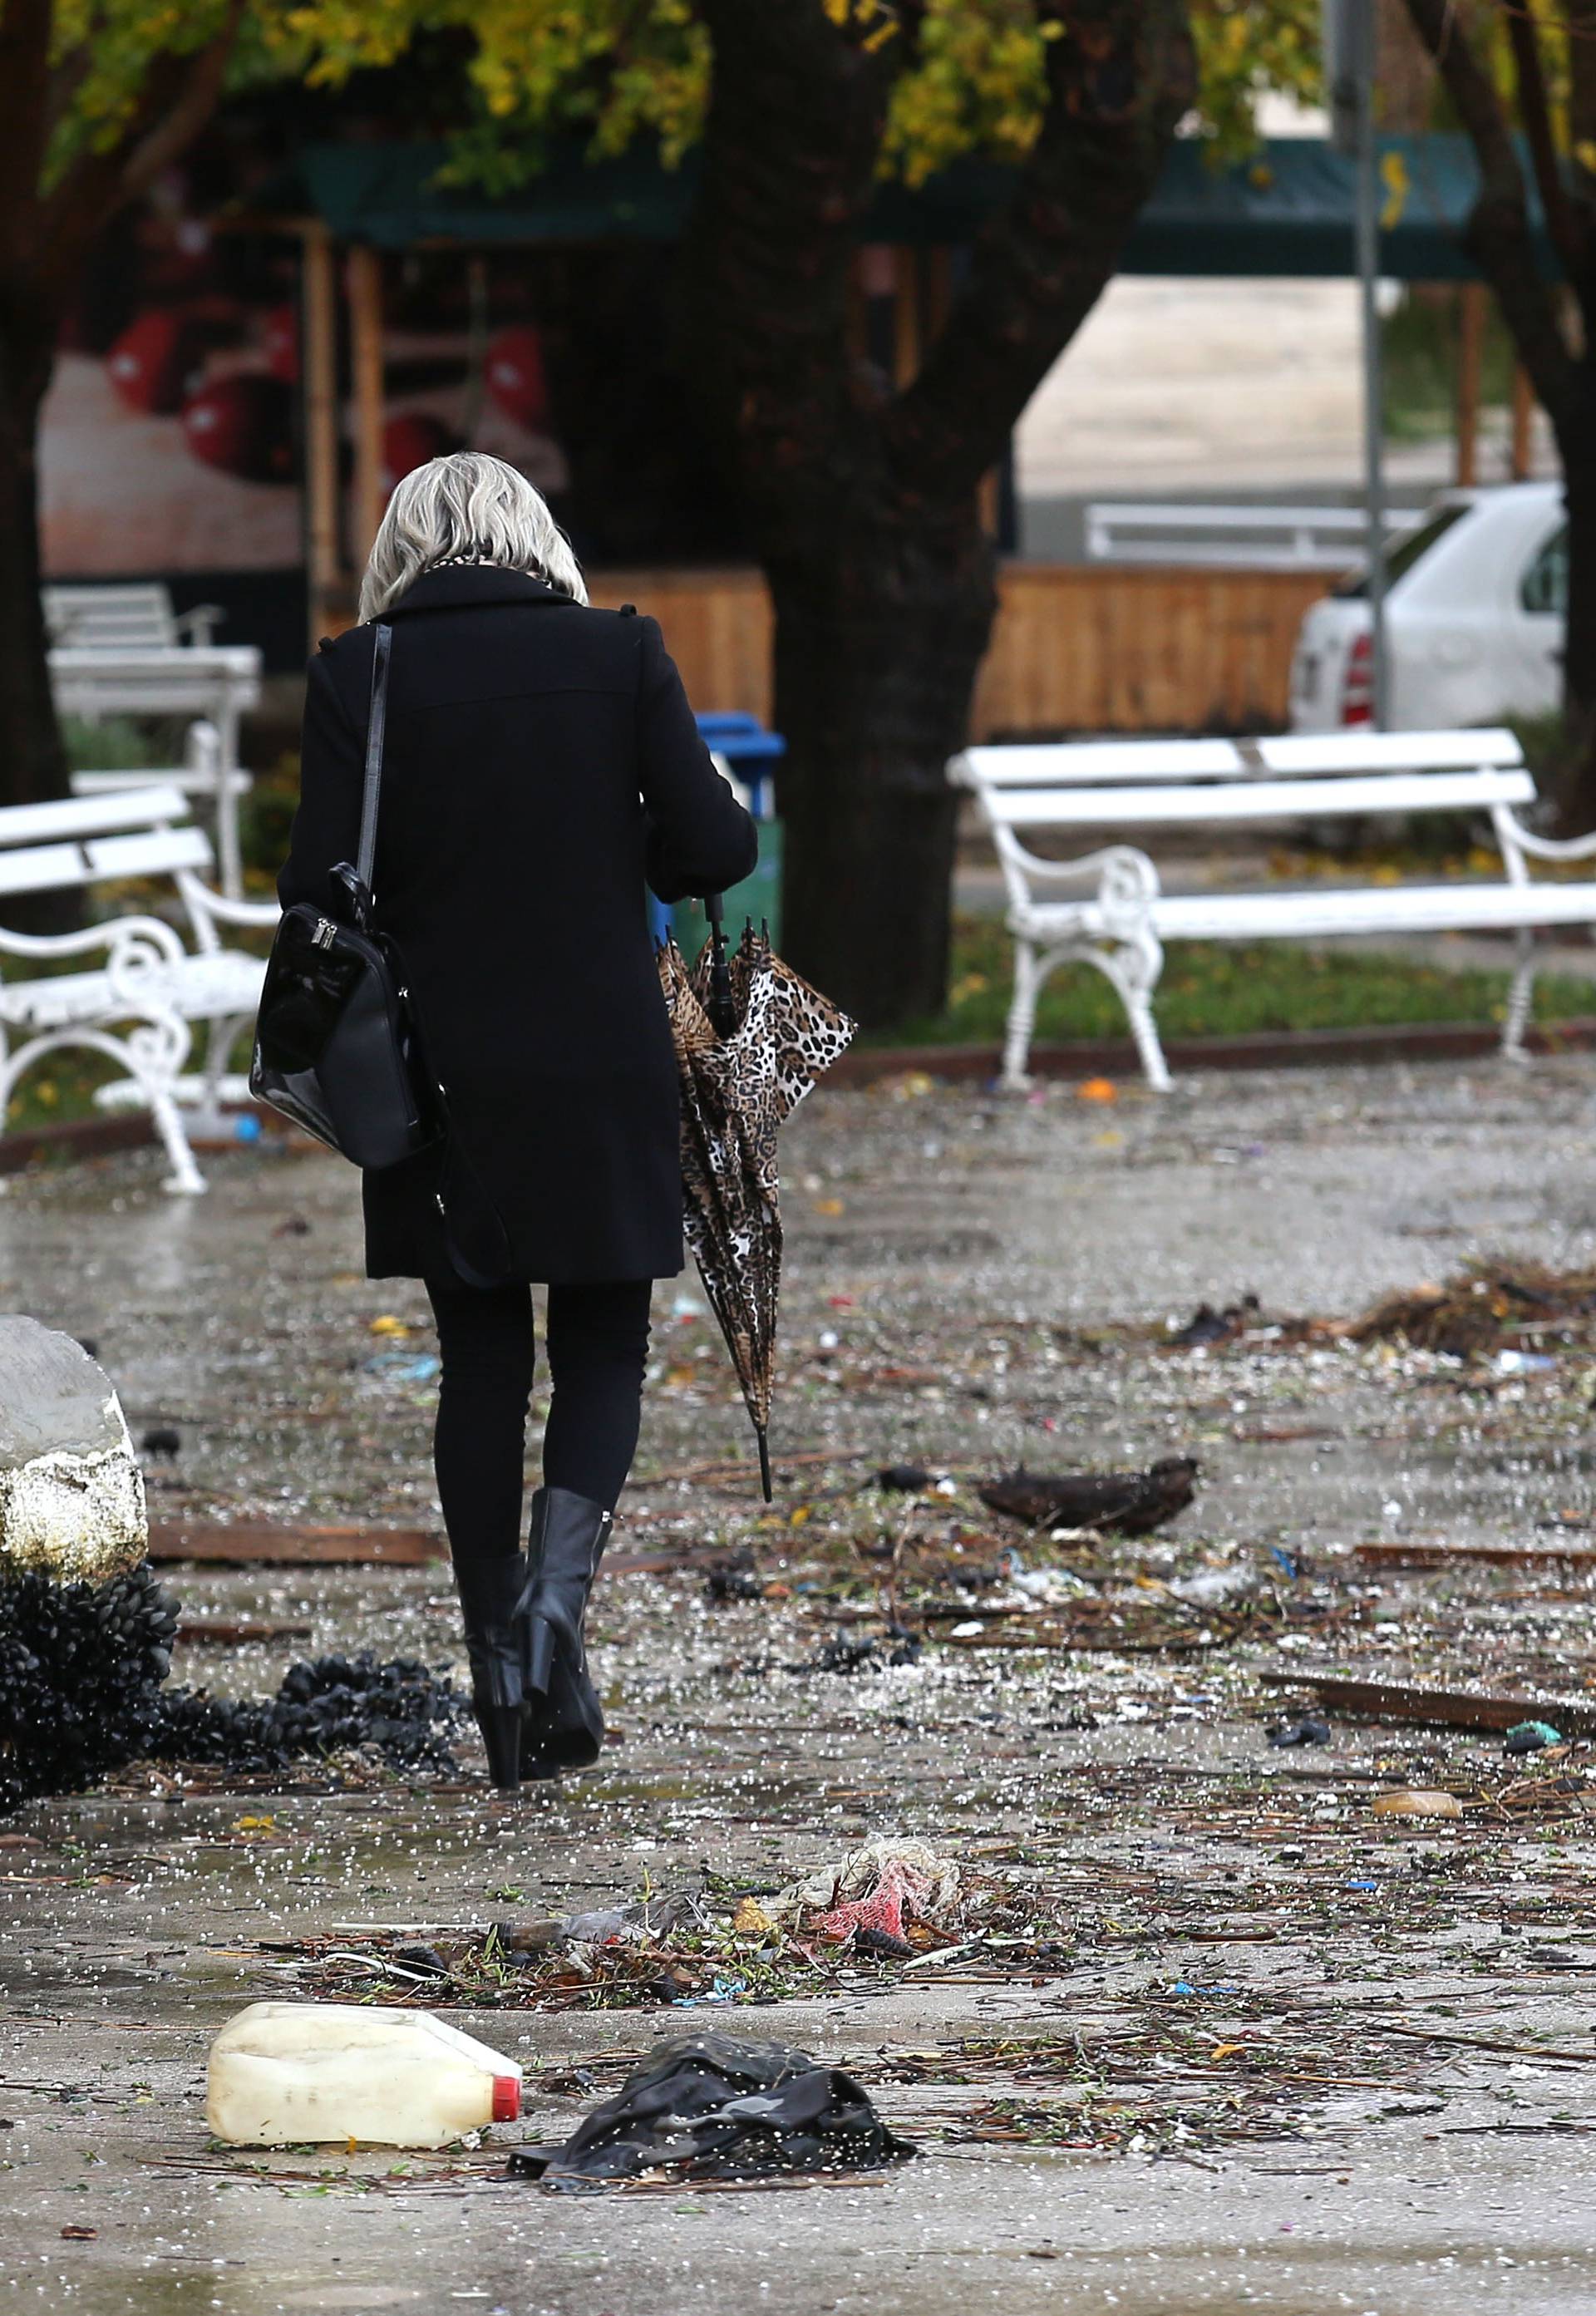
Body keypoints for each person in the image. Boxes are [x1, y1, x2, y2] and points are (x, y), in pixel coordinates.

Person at [278, 451, 756, 1795]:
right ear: (530, 536)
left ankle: (499, 1664)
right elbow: (715, 849)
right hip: (604, 1059)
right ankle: (558, 1613)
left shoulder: (354, 675)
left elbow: (314, 887)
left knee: (481, 1355)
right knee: (603, 1339)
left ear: (405, 547)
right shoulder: (620, 654)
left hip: (433, 1074)